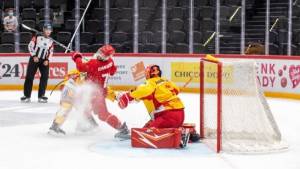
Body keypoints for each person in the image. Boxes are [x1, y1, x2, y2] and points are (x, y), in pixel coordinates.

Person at [71, 45, 129, 139]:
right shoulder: (110, 61)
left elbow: (80, 67)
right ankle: (82, 125)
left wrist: (77, 57)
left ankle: (122, 128)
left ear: (108, 56)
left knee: (102, 114)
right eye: (100, 52)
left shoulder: (94, 63)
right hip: (100, 90)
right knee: (83, 106)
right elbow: (113, 71)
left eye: (103, 54)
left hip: (95, 93)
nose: (100, 55)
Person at [48, 69, 118, 135]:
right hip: (70, 91)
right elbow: (103, 89)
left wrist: (115, 96)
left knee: (82, 108)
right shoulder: (83, 73)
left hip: (74, 92)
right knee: (67, 108)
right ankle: (55, 127)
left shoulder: (88, 74)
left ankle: (83, 126)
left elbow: (103, 89)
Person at [118, 65, 185, 128]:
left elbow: (144, 90)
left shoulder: (150, 82)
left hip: (167, 115)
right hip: (181, 115)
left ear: (148, 74)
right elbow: (177, 90)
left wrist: (127, 96)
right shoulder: (166, 80)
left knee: (145, 133)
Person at [20, 23, 54, 103]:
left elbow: (51, 52)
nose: (48, 31)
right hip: (34, 59)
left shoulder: (51, 41)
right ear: (43, 30)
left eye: (50, 30)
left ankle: (41, 96)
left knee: (44, 77)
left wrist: (47, 60)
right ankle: (27, 96)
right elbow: (30, 46)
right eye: (47, 30)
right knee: (29, 77)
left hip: (44, 61)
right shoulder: (37, 37)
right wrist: (34, 56)